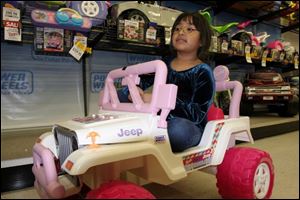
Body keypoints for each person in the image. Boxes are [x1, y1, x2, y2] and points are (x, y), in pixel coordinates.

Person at [118, 12, 215, 152]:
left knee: (177, 130)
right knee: (119, 95)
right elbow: (141, 80)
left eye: (189, 29)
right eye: (177, 28)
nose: (181, 32)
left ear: (202, 41)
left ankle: (152, 137)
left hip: (189, 125)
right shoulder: (163, 64)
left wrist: (158, 100)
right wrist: (134, 90)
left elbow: (197, 114)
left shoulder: (203, 71)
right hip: (157, 119)